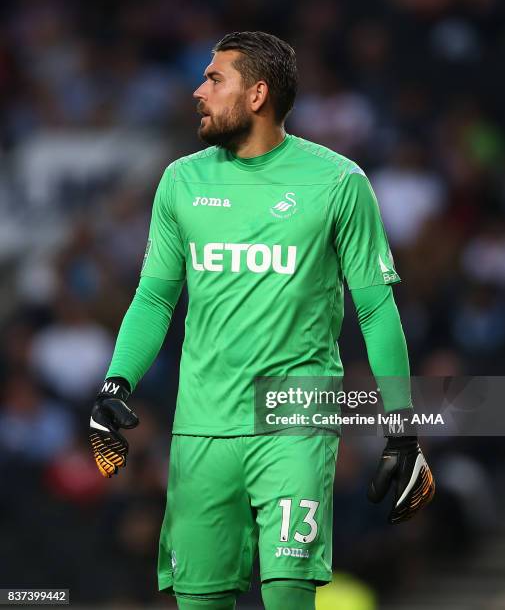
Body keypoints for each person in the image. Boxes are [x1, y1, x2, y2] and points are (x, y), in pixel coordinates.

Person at [89, 31, 435, 610]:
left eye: (213, 79)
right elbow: (154, 300)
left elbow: (375, 309)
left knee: (288, 593)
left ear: (257, 94)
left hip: (294, 419)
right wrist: (116, 381)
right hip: (200, 426)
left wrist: (401, 426)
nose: (198, 92)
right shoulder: (182, 181)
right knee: (199, 599)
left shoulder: (338, 182)